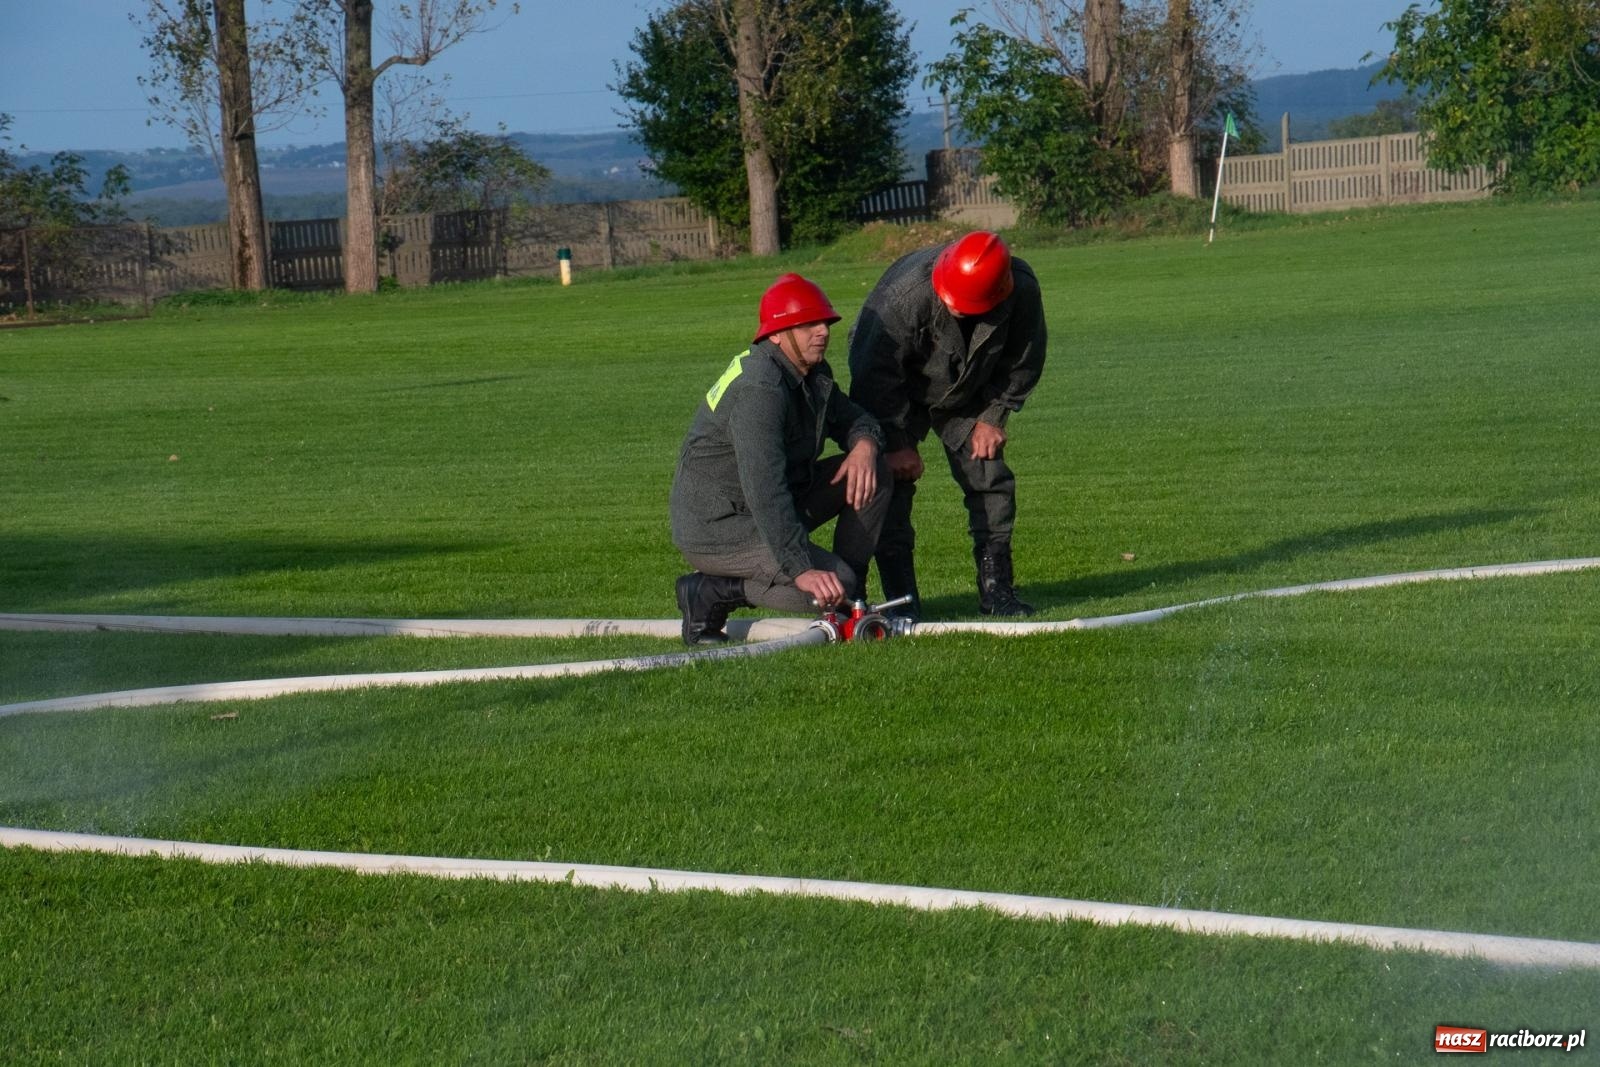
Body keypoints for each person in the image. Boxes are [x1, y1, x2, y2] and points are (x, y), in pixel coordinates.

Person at [670, 273, 891, 646]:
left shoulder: (810, 372)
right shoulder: (761, 389)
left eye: (825, 322)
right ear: (775, 335)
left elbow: (855, 419)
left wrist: (866, 446)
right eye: (807, 325)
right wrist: (800, 567)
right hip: (718, 525)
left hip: (772, 500)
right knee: (826, 586)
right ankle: (712, 591)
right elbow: (764, 488)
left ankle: (850, 599)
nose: (822, 331)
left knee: (876, 471)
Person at [847, 230, 1047, 619]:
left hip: (968, 388)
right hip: (898, 391)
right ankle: (902, 601)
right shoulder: (905, 298)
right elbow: (871, 373)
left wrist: (994, 415)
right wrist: (893, 442)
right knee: (892, 487)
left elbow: (1025, 355)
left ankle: (997, 591)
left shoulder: (1020, 288)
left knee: (990, 477)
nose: (955, 307)